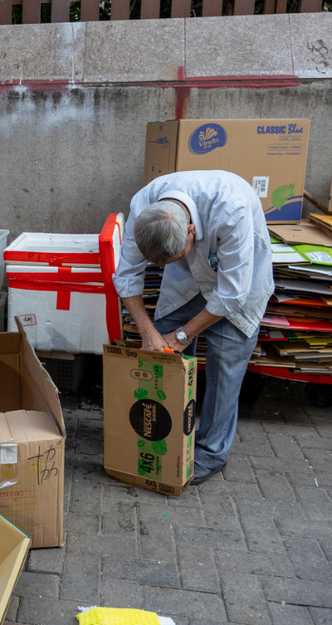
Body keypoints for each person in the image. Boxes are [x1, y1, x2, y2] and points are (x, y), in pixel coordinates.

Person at [113, 170, 274, 486]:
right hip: (186, 280)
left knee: (224, 368)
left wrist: (183, 335)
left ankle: (211, 453)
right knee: (160, 355)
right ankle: (160, 436)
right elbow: (126, 276)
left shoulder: (231, 210)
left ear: (190, 230)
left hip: (238, 281)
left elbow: (230, 295)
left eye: (175, 256)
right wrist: (149, 333)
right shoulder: (143, 206)